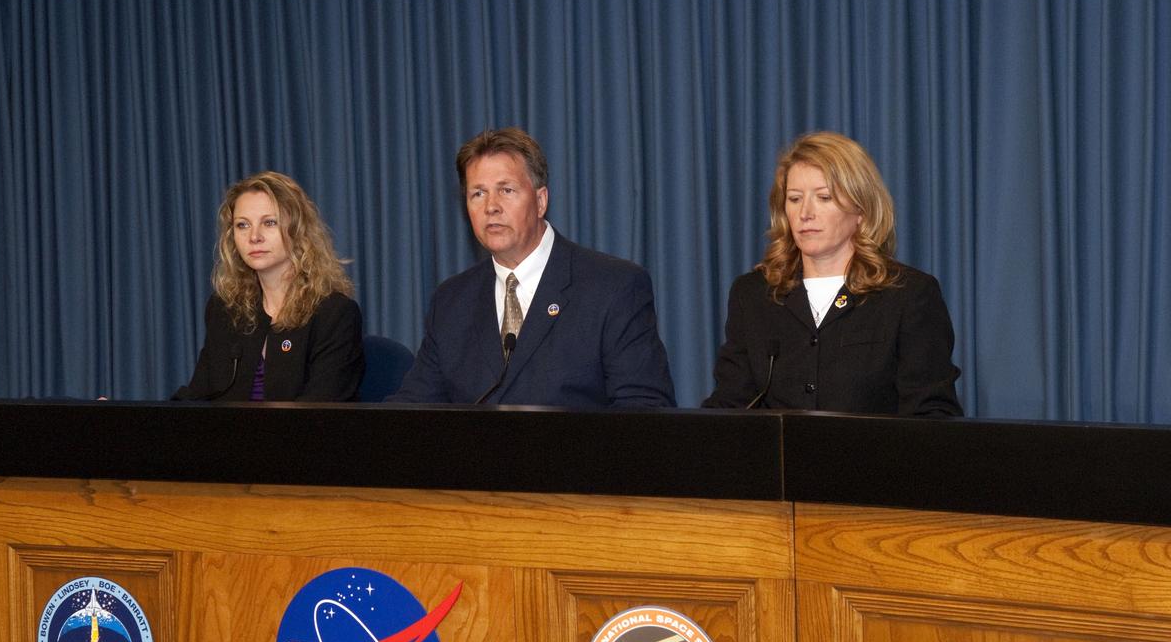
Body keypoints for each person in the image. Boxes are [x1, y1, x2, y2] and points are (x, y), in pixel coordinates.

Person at [389, 127, 675, 407]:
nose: (491, 207)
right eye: (478, 193)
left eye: (506, 190)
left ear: (540, 201)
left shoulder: (613, 287)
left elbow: (644, 408)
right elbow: (412, 411)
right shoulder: (452, 301)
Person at [703, 131, 962, 416]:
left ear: (861, 209)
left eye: (824, 197)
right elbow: (730, 405)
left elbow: (932, 413)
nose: (805, 213)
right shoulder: (754, 294)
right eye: (794, 199)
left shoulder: (908, 294)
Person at [173, 171, 364, 401]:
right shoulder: (225, 310)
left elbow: (322, 408)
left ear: (298, 230)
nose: (254, 236)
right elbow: (197, 396)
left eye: (269, 223)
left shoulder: (334, 314)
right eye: (242, 225)